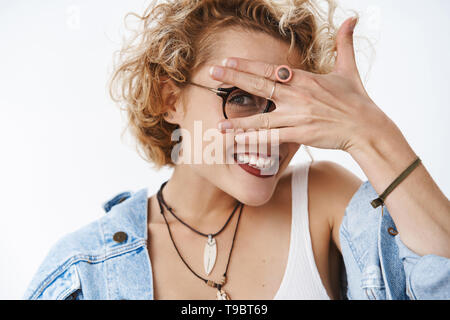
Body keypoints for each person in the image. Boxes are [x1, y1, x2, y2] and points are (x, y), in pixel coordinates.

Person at [24, 0, 449, 300]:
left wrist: (371, 133)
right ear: (169, 99)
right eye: (240, 97)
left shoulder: (322, 200)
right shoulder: (85, 270)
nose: (271, 132)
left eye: (286, 103)